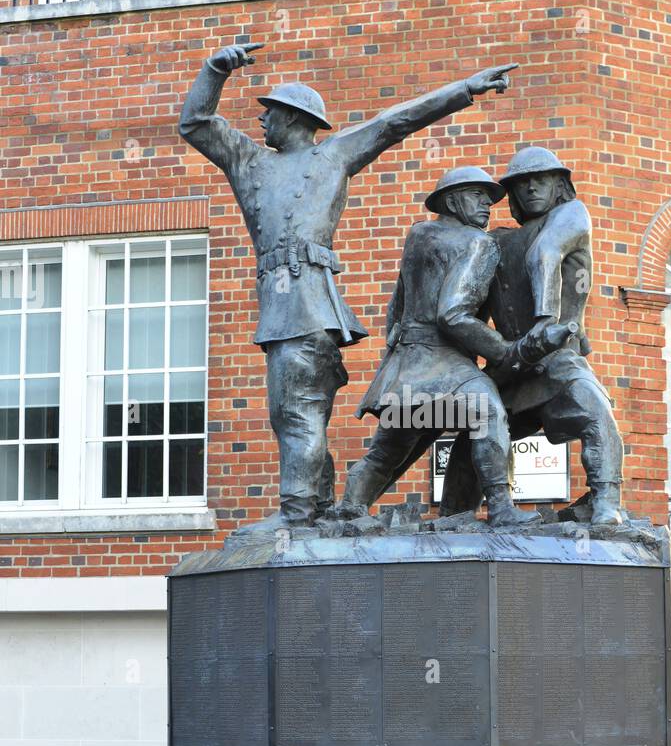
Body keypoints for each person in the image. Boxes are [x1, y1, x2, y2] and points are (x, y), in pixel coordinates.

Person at [178, 40, 517, 527]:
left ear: (294, 119)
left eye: (269, 112)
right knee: (297, 417)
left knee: (298, 415)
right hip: (288, 309)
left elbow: (396, 121)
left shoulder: (332, 157)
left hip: (304, 308)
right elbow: (194, 123)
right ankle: (319, 511)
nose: (261, 121)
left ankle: (298, 516)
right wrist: (215, 69)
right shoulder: (247, 161)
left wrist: (464, 89)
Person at [340, 166, 572, 526]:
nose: (487, 205)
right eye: (476, 196)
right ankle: (501, 507)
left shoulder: (418, 235)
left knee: (393, 445)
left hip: (406, 366)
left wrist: (394, 353)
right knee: (489, 412)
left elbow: (397, 307)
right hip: (446, 362)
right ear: (451, 200)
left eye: (491, 198)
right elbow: (454, 314)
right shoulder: (477, 243)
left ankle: (348, 509)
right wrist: (507, 351)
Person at [440, 146, 624, 525]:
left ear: (560, 185)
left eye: (541, 179)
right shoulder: (496, 242)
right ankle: (457, 516)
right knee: (474, 436)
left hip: (557, 355)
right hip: (513, 361)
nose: (531, 188)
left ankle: (607, 502)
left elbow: (546, 252)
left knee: (594, 411)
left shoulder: (571, 215)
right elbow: (468, 309)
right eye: (521, 184)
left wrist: (545, 321)